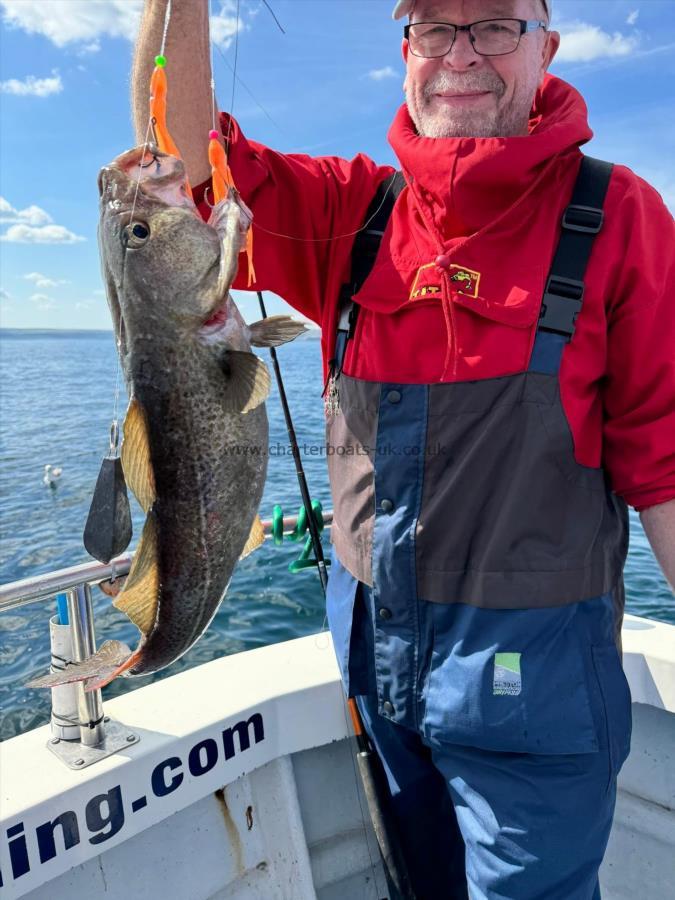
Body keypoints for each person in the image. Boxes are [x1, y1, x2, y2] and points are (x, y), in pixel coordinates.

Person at [134, 1, 675, 897]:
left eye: (495, 25)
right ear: (405, 52)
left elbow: (663, 466)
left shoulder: (619, 215)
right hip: (371, 665)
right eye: (435, 29)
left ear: (545, 46)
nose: (462, 54)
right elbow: (183, 162)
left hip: (532, 684)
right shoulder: (353, 212)